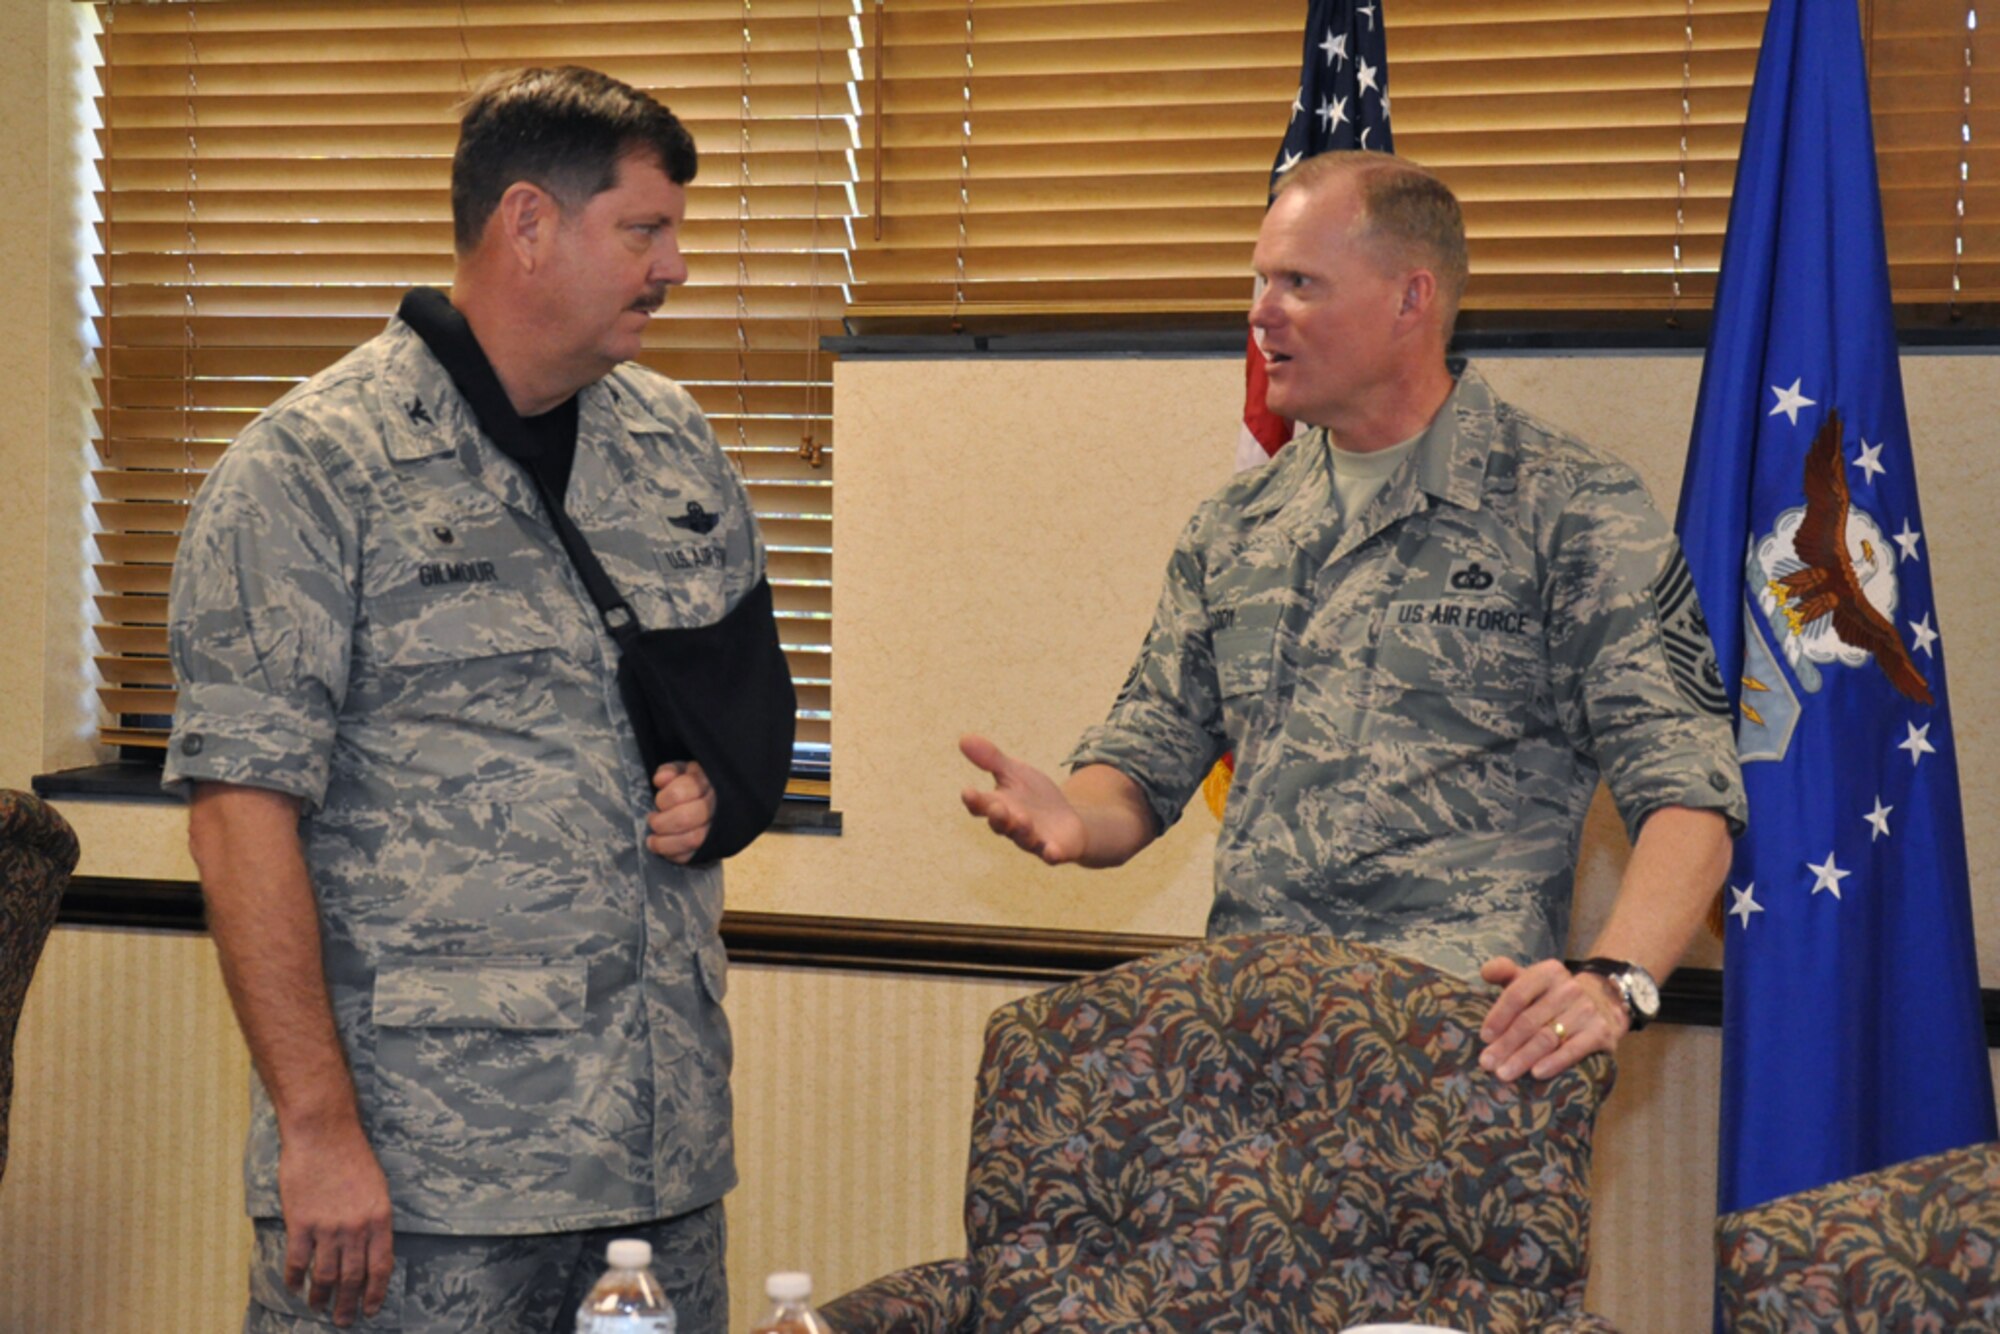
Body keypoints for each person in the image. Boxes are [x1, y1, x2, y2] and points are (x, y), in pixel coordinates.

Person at [166, 66, 765, 1333]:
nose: (674, 267)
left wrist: (714, 781)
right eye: (644, 230)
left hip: (654, 1167)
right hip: (420, 1180)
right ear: (531, 224)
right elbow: (237, 815)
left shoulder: (670, 446)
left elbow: (729, 696)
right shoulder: (311, 467)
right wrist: (320, 1132)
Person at [962, 151, 1745, 1088]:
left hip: (1460, 1063)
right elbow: (1147, 753)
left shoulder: (1569, 509)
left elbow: (1691, 790)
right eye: (1260, 281)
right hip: (1245, 1056)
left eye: (1299, 282)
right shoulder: (1238, 525)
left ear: (1411, 299)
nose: (1261, 312)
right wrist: (1076, 820)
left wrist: (1615, 982)